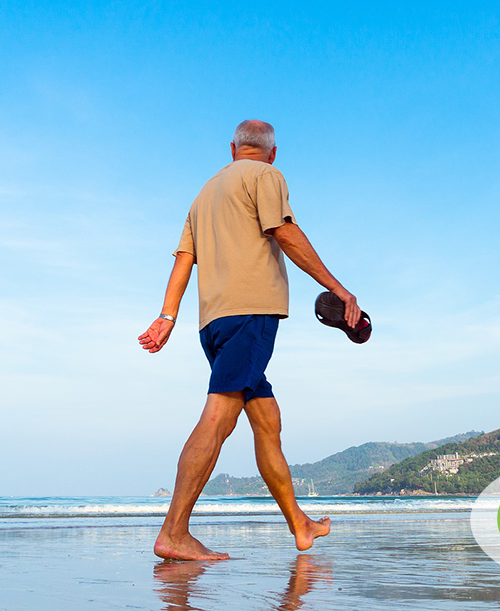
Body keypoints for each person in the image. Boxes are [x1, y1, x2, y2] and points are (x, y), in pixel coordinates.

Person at [139, 119, 363, 561]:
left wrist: (167, 315)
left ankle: (299, 524)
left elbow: (185, 260)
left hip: (213, 323)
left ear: (233, 148)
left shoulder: (204, 194)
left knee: (266, 421)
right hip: (251, 314)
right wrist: (340, 290)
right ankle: (174, 533)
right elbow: (284, 232)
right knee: (219, 417)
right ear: (272, 152)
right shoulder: (267, 176)